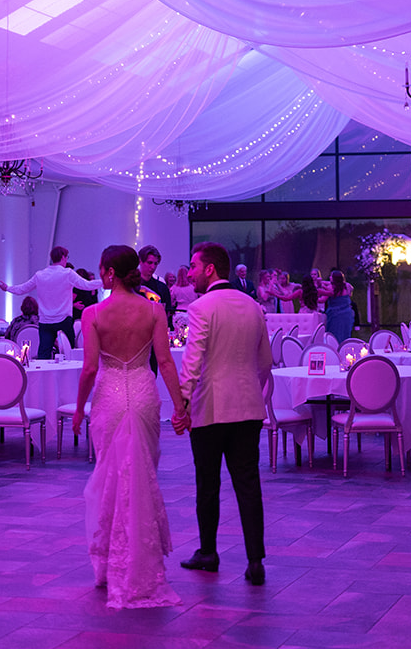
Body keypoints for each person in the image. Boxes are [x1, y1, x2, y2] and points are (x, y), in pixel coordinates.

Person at [73, 244, 185, 609]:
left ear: (108, 272)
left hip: (108, 399)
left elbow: (90, 368)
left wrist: (78, 409)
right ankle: (139, 561)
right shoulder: (154, 309)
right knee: (141, 475)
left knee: (109, 478)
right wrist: (180, 405)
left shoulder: (92, 313)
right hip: (142, 394)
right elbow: (165, 362)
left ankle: (107, 565)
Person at [179, 241, 272, 586]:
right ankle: (255, 559)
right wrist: (250, 388)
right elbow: (265, 362)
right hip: (248, 406)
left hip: (212, 407)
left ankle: (208, 552)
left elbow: (193, 360)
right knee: (248, 484)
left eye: (193, 266)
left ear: (209, 269)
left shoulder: (202, 308)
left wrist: (183, 403)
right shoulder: (252, 306)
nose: (189, 273)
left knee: (208, 483)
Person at [2, 245, 102, 360]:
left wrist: (7, 288)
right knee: (69, 355)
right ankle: (69, 377)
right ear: (63, 257)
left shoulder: (40, 275)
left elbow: (22, 289)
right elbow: (86, 285)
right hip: (64, 319)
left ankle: (41, 377)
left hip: (45, 321)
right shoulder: (67, 273)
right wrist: (105, 282)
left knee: (44, 355)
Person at [136, 246, 176, 328]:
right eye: (149, 263)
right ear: (140, 261)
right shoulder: (131, 286)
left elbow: (167, 314)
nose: (153, 267)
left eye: (155, 263)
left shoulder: (162, 287)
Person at [323, 269, 355, 343]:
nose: (330, 277)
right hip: (346, 314)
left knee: (334, 334)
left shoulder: (331, 288)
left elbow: (323, 299)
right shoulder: (347, 286)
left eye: (331, 276)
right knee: (345, 333)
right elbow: (351, 291)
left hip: (335, 315)